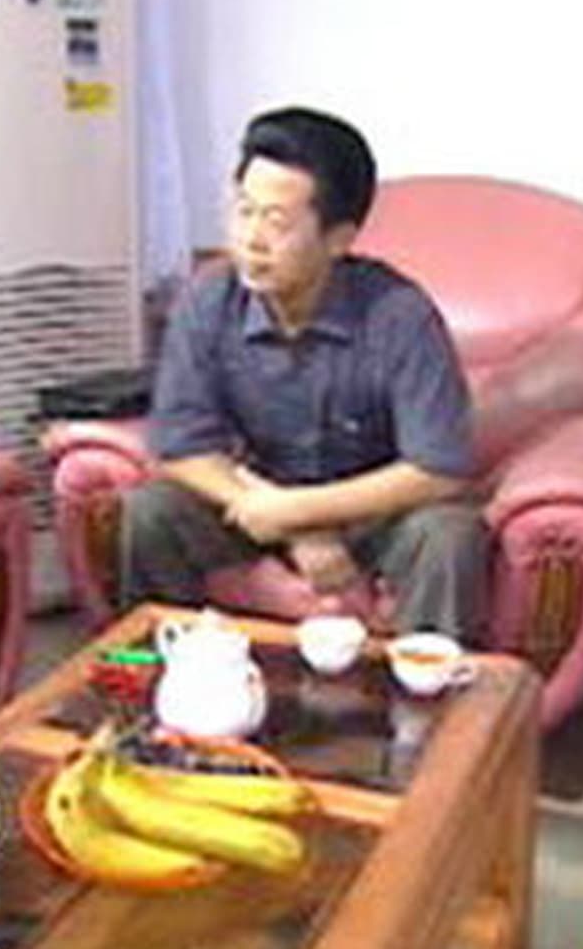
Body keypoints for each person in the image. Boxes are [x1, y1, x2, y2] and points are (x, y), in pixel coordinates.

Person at [120, 106, 486, 638]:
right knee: (151, 511)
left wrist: (299, 511)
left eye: (276, 222)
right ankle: (164, 672)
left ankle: (427, 687)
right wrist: (281, 520)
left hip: (371, 515)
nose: (252, 239)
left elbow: (438, 467)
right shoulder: (209, 300)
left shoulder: (398, 314)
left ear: (339, 238)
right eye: (244, 211)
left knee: (449, 534)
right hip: (255, 507)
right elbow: (180, 446)